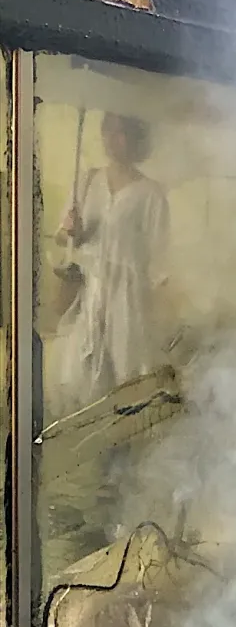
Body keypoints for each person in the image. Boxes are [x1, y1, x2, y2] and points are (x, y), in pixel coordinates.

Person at [51, 111, 170, 419]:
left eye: (121, 132)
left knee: (125, 372)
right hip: (90, 291)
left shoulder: (151, 194)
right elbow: (62, 239)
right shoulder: (88, 181)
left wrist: (153, 311)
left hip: (127, 297)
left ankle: (121, 451)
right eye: (108, 131)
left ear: (135, 138)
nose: (113, 139)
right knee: (84, 372)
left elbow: (159, 260)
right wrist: (70, 230)